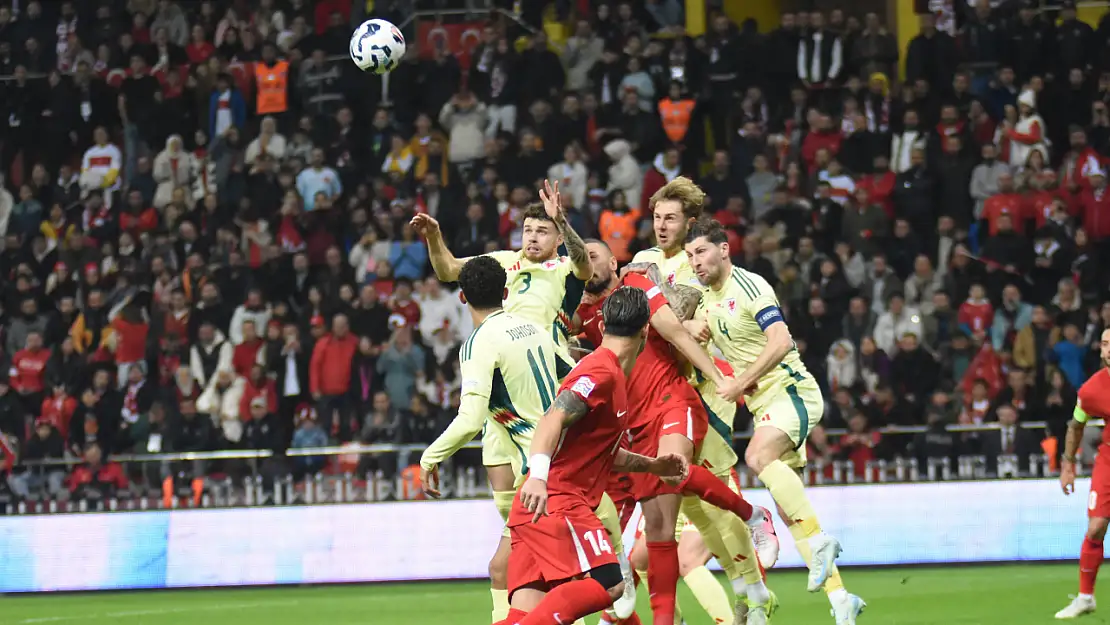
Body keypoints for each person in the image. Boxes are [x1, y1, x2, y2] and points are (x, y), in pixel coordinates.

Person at [685, 217, 866, 624]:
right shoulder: (705, 297)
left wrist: (738, 383)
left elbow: (782, 340)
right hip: (765, 407)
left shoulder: (750, 286)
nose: (696, 262)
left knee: (758, 455)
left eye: (701, 252)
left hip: (791, 392)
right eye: (690, 255)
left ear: (724, 248)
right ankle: (841, 601)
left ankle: (821, 541)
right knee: (792, 511)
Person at [500, 287, 687, 625]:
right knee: (611, 584)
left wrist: (655, 465)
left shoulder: (611, 378)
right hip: (558, 500)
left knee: (525, 610)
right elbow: (553, 418)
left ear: (601, 326)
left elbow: (606, 454)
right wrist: (539, 477)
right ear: (646, 330)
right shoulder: (600, 372)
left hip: (534, 509)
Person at [412, 179, 592, 369]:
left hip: (548, 362)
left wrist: (561, 221)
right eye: (528, 230)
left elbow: (585, 264)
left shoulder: (564, 267)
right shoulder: (504, 260)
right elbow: (448, 271)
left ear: (559, 239)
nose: (532, 237)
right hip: (504, 360)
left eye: (542, 231)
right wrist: (433, 237)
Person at [1057, 328, 1110, 619]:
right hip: (1109, 461)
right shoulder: (1091, 391)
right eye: (1105, 344)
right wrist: (1068, 464)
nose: (1109, 349)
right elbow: (1075, 426)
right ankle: (1085, 597)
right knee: (1095, 527)